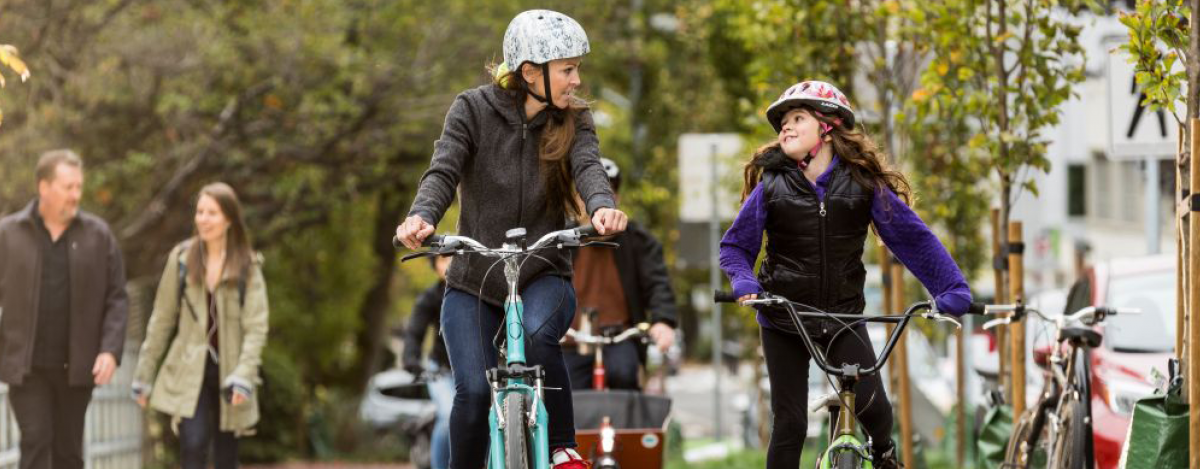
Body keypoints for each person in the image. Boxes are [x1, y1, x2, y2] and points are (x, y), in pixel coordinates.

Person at [394, 9, 627, 469]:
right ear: (530, 72)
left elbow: (588, 168)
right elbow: (443, 171)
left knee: (540, 339)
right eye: (568, 69)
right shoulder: (471, 110)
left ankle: (561, 448)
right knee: (474, 390)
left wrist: (600, 206)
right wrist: (421, 217)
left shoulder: (575, 121)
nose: (577, 80)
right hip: (473, 280)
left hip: (545, 273)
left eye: (576, 68)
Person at [718, 81, 972, 469]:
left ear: (828, 127)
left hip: (842, 316)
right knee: (789, 425)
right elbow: (735, 246)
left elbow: (912, 238)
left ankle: (884, 456)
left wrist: (950, 287)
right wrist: (744, 282)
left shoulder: (862, 185)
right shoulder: (772, 186)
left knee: (877, 415)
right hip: (785, 317)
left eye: (797, 118)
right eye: (782, 121)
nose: (785, 127)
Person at [0, 149, 129, 469]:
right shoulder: (9, 234)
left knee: (68, 452)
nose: (76, 195)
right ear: (44, 187)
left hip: (77, 367)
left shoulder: (98, 235)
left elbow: (117, 297)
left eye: (78, 187)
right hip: (25, 366)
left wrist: (110, 350)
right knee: (35, 440)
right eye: (68, 187)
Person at [132, 182, 269, 469]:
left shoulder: (247, 265)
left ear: (229, 219)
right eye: (200, 212)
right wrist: (144, 374)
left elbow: (256, 327)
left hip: (231, 372)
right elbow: (162, 318)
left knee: (226, 456)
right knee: (192, 446)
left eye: (212, 213)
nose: (203, 219)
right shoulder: (181, 260)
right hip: (188, 369)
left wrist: (245, 375)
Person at [562, 157, 677, 391]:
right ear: (576, 199)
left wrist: (663, 321)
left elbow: (657, 284)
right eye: (587, 194)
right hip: (570, 340)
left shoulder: (638, 241)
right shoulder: (560, 239)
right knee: (565, 399)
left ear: (617, 199)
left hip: (619, 337)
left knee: (625, 377)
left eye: (610, 192)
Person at [401, 255, 453, 469]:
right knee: (449, 414)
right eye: (443, 259)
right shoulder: (431, 297)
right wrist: (411, 360)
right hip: (441, 371)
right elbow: (414, 334)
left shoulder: (479, 291)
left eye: (453, 257)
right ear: (435, 267)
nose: (449, 263)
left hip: (477, 368)